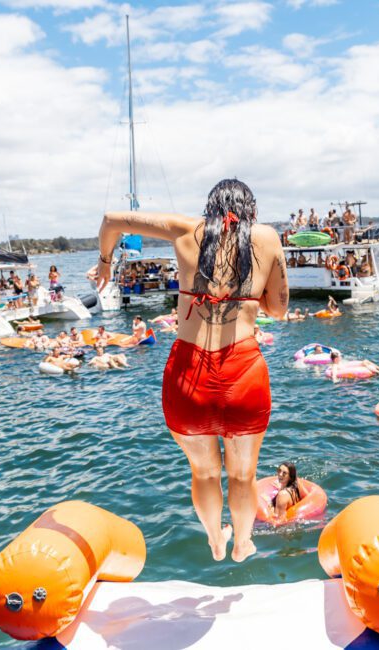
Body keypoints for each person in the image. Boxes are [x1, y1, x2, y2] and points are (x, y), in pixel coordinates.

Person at [96, 178, 288, 562]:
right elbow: (280, 309)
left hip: (188, 375)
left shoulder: (185, 230)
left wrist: (104, 263)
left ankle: (216, 540)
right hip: (244, 373)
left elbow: (111, 219)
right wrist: (249, 300)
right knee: (243, 476)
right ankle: (243, 542)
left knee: (203, 474)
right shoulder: (266, 237)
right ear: (250, 209)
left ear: (210, 207)